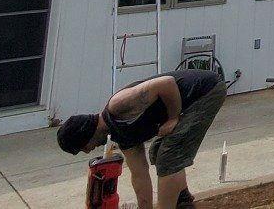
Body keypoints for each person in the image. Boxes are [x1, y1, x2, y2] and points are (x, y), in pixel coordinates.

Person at [56, 69, 225, 209]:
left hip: (205, 91)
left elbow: (166, 83)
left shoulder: (118, 105)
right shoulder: (123, 137)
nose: (87, 150)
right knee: (158, 152)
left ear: (85, 133)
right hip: (189, 102)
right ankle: (183, 202)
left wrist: (173, 118)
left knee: (170, 155)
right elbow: (139, 175)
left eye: (82, 146)